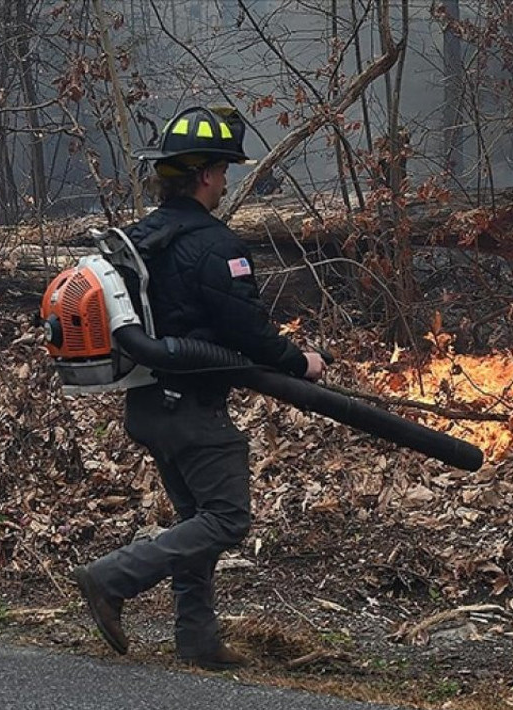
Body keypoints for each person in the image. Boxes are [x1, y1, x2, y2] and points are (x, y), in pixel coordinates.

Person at [72, 106, 327, 670]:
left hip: (149, 405)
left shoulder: (138, 239)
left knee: (197, 521)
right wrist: (300, 361)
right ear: (208, 175)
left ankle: (197, 641)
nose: (226, 182)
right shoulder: (217, 246)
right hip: (192, 409)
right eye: (225, 171)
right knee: (227, 519)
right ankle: (110, 578)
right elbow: (248, 330)